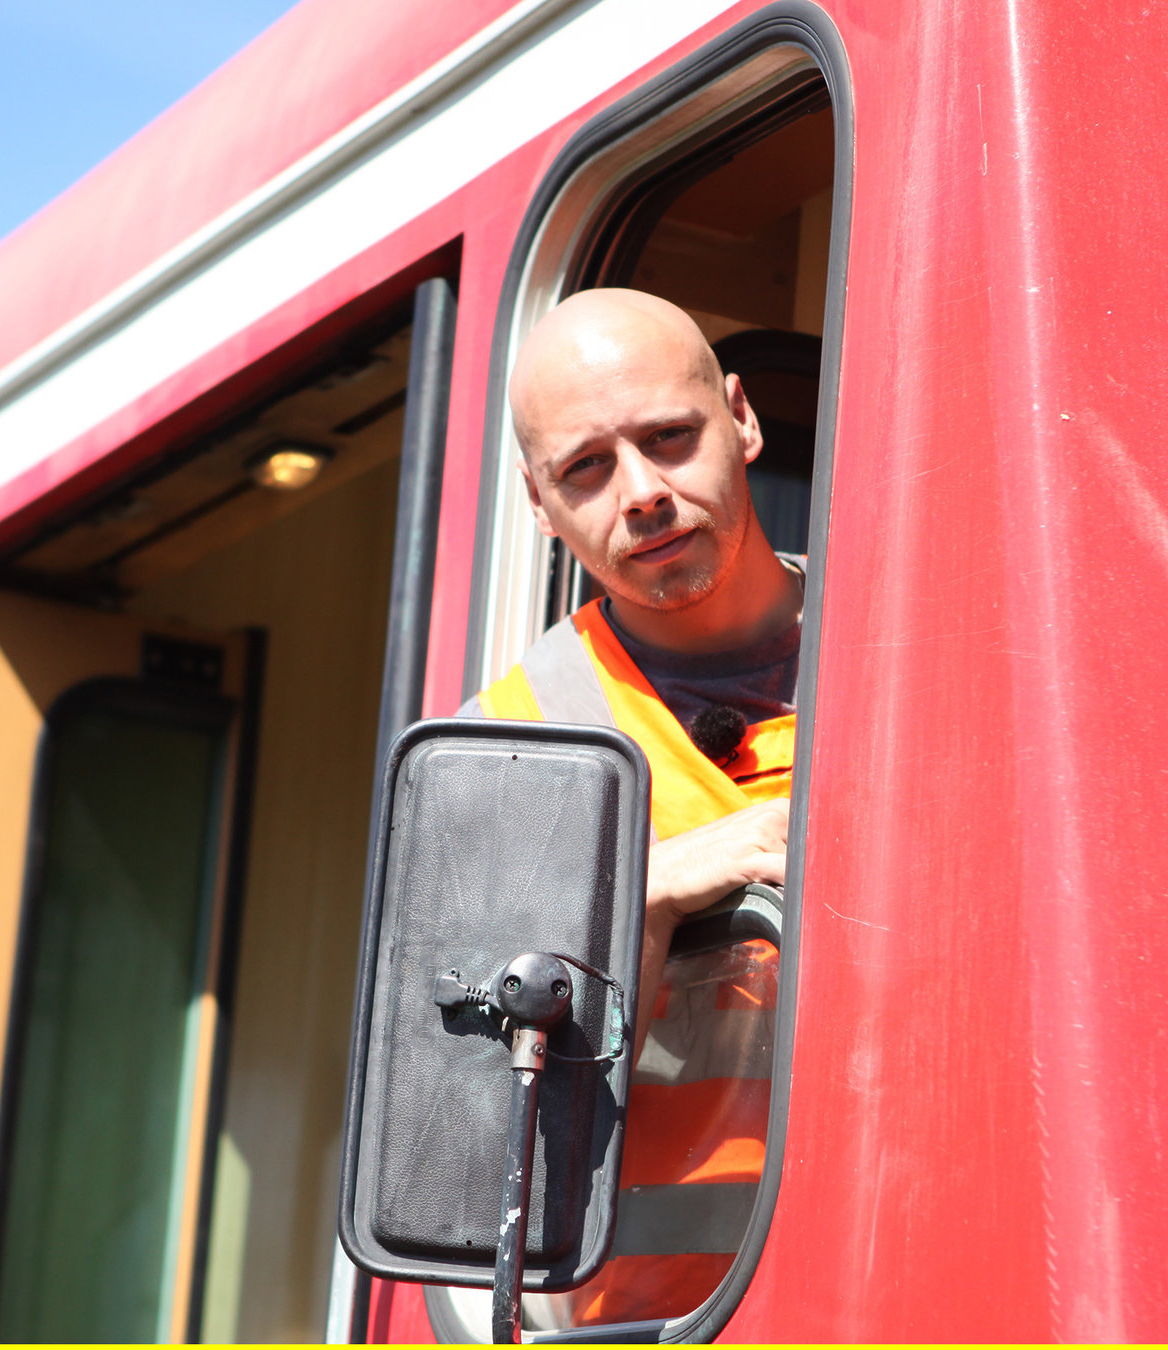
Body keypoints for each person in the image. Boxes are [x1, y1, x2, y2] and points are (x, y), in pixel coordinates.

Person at [460, 288, 802, 1325]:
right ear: (536, 499)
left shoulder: (916, 653)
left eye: (667, 437)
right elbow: (485, 1150)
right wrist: (643, 897)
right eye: (587, 468)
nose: (642, 493)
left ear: (739, 420)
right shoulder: (507, 744)